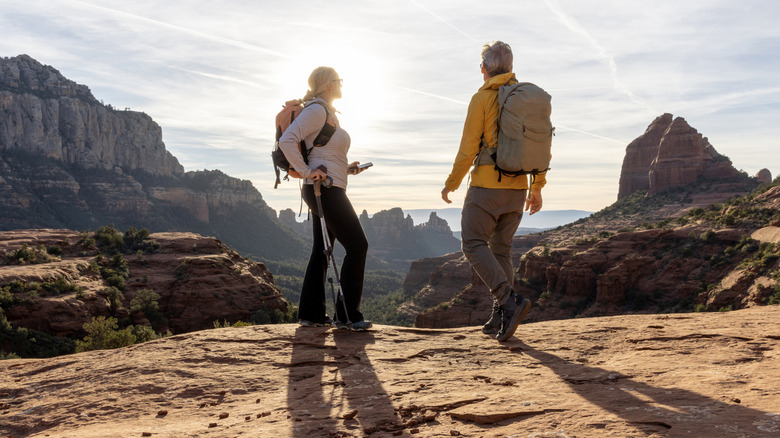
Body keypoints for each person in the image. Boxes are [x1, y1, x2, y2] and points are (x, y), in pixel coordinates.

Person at [441, 41, 546, 342]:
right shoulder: (526, 99)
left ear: (484, 69)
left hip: (486, 186)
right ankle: (499, 316)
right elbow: (540, 147)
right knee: (501, 250)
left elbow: (468, 147)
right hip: (517, 188)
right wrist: (536, 187)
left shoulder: (482, 98)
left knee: (472, 243)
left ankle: (508, 301)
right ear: (511, 68)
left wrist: (452, 181)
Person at [278, 66, 372, 331]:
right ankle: (347, 315)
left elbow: (324, 154)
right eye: (339, 80)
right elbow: (288, 140)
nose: (342, 84)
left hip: (328, 186)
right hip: (323, 190)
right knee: (358, 245)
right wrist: (308, 172)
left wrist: (348, 169)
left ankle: (311, 314)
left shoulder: (326, 113)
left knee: (321, 250)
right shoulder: (317, 110)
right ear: (329, 85)